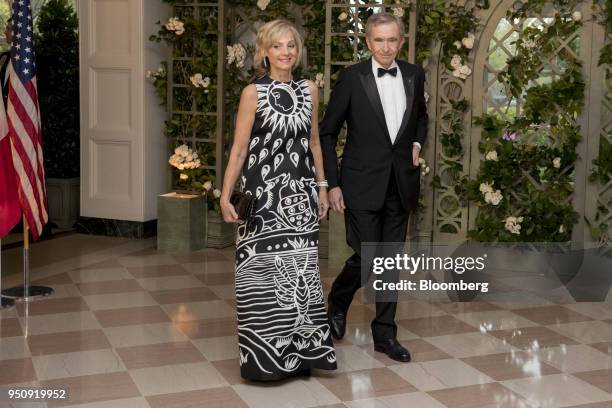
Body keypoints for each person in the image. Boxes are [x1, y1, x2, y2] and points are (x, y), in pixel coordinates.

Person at [220, 19, 337, 381]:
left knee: (301, 274)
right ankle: (265, 361)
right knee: (259, 275)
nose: (286, 52)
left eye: (291, 46)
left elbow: (315, 142)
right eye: (278, 46)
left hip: (300, 198)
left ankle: (301, 356)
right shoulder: (252, 93)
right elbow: (239, 150)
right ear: (264, 52)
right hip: (262, 196)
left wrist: (321, 188)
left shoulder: (309, 90)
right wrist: (225, 195)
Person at [319, 12, 428, 363]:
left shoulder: (413, 74)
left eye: (392, 39)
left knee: (390, 260)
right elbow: (327, 132)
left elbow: (422, 117)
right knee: (367, 256)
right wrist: (331, 184)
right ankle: (338, 300)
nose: (385, 47)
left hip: (401, 182)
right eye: (378, 40)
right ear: (368, 42)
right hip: (360, 183)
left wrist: (416, 145)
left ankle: (385, 335)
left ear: (401, 41)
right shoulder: (352, 77)